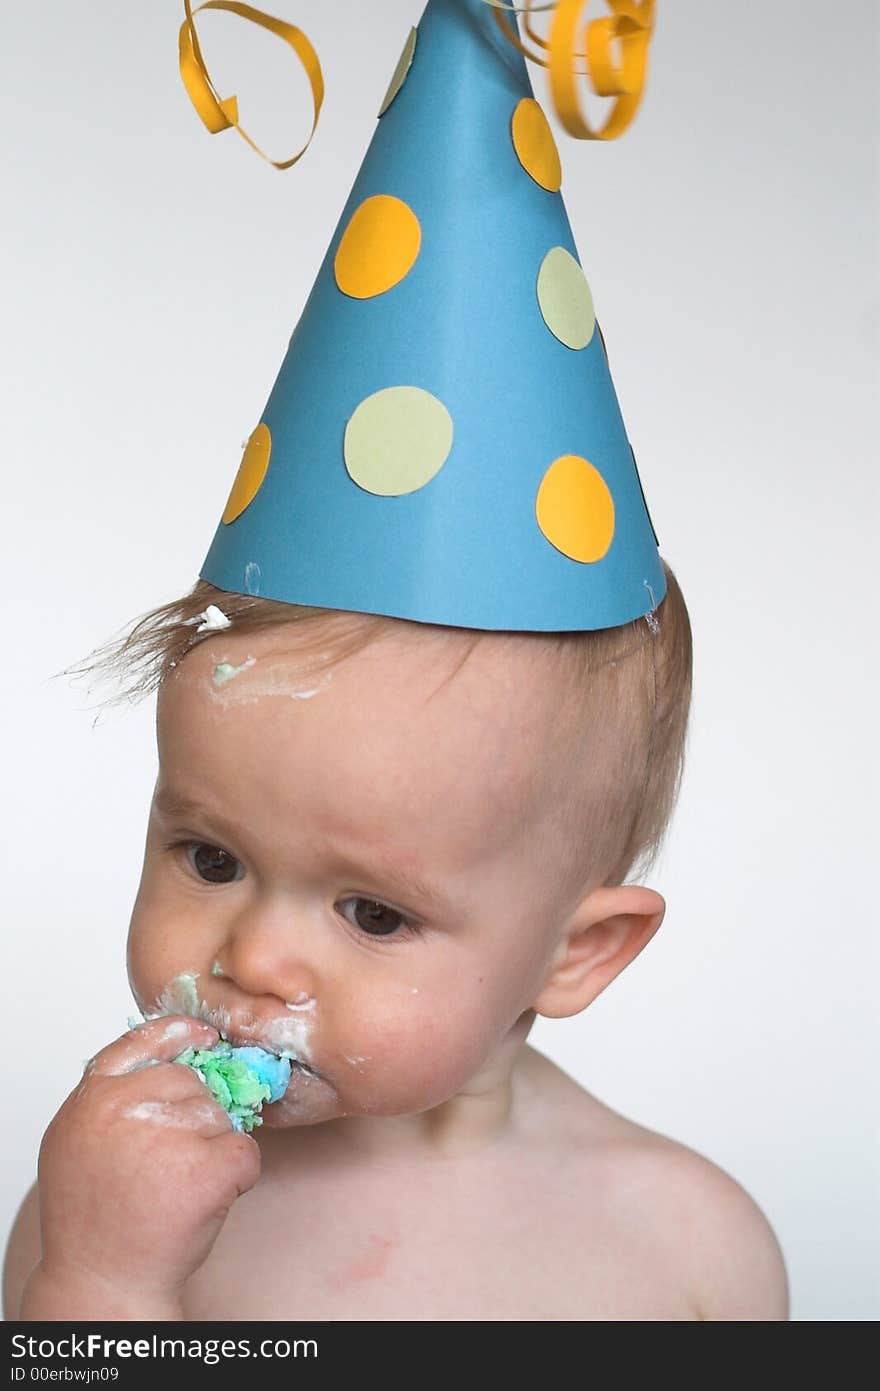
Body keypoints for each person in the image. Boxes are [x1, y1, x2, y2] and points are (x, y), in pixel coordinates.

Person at [3, 0, 789, 1321]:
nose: (251, 955)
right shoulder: (123, 1194)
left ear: (575, 954)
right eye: (209, 856)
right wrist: (99, 1278)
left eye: (372, 912)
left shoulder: (687, 1250)